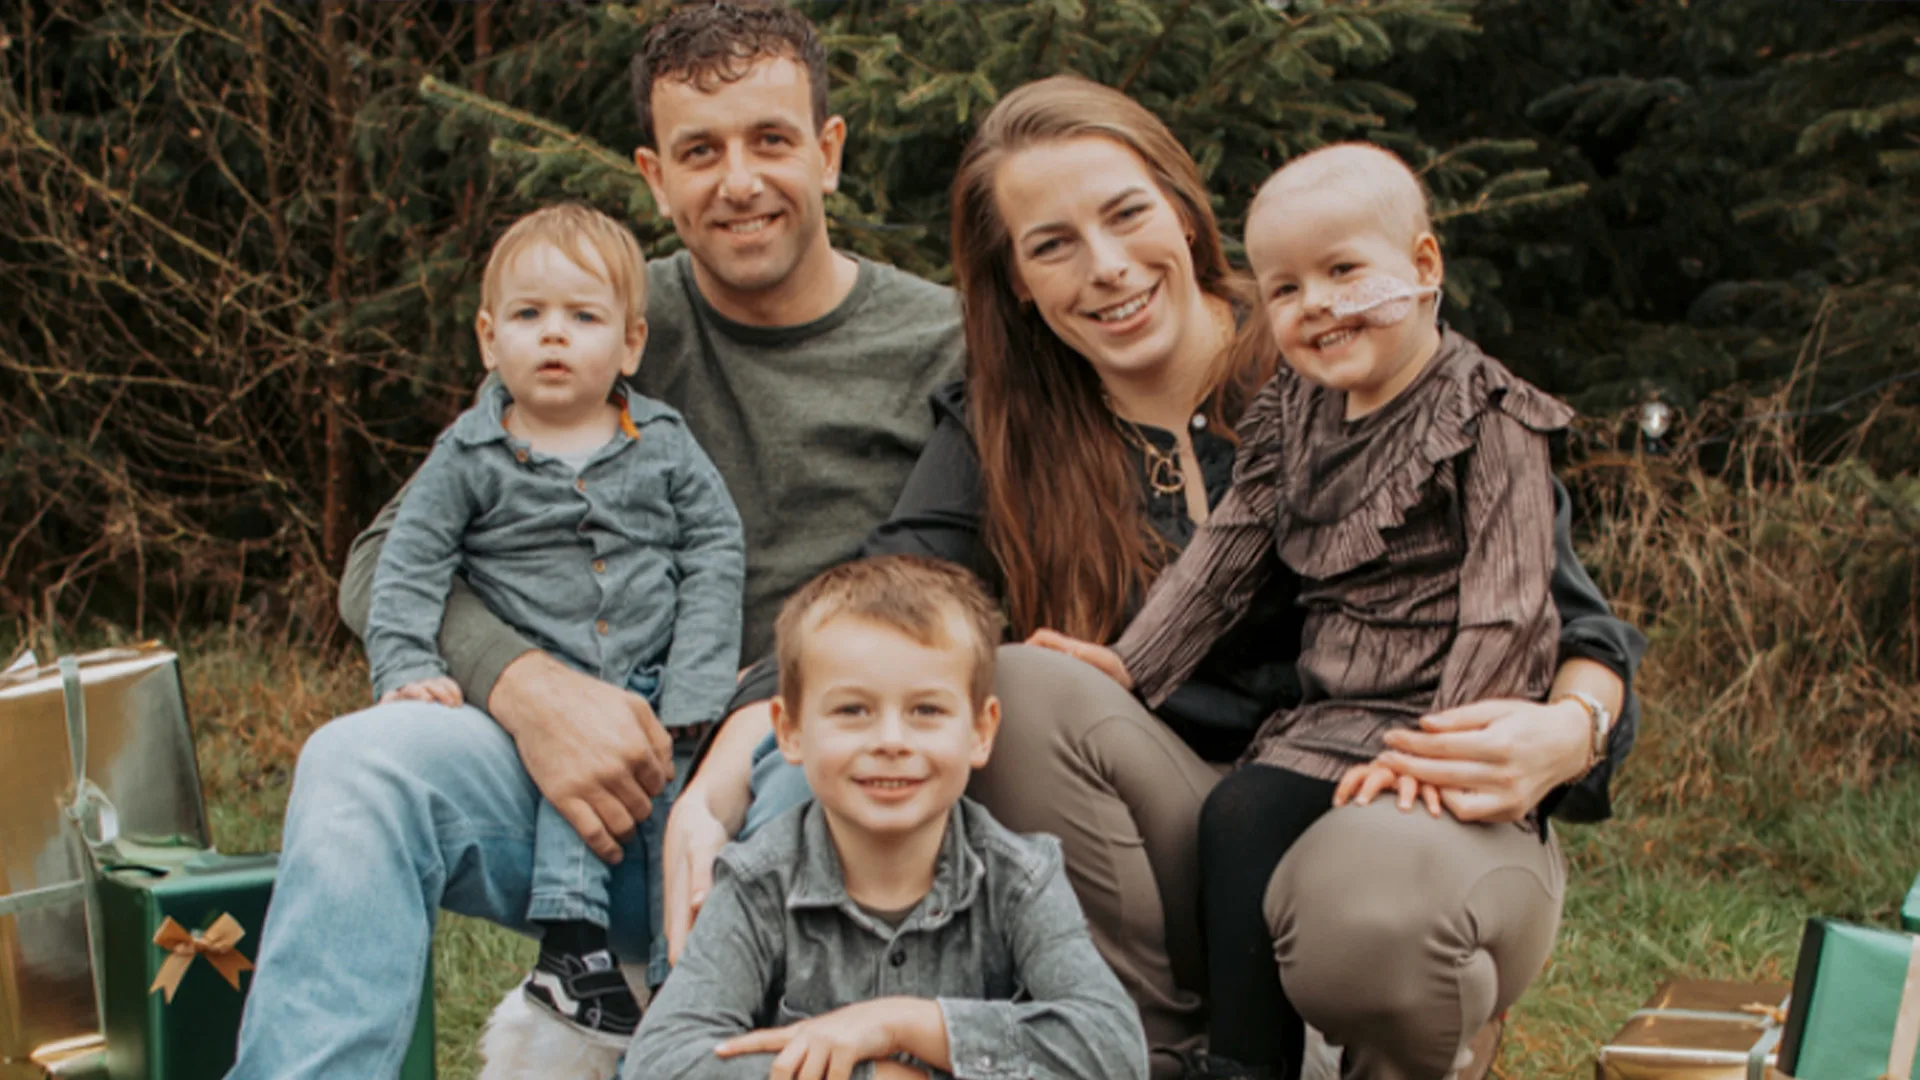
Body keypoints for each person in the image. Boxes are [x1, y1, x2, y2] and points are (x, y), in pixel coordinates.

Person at [664, 76, 1646, 1080]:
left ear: (1182, 209)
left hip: (1398, 801)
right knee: (1025, 684)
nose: (1107, 269)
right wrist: (724, 771)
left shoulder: (1337, 347)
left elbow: (1573, 621)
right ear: (1016, 284)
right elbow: (879, 599)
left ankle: (1401, 1034)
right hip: (1181, 846)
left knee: (1372, 928)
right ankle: (1153, 1056)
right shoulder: (1009, 429)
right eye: (1052, 246)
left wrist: (1568, 733)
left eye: (1127, 215)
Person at [229, 4, 962, 1076]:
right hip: (588, 789)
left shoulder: (934, 342)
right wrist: (528, 692)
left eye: (770, 140)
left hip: (796, 783)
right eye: (699, 152)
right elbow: (389, 556)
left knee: (827, 780)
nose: (739, 180)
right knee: (361, 761)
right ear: (655, 176)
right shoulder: (595, 319)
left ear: (829, 151)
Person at [1039, 142, 1583, 1078]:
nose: (1316, 306)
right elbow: (1226, 556)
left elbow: (1509, 603)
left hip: (1441, 723)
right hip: (1330, 719)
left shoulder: (1489, 415)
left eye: (1343, 271)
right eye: (1284, 289)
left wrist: (1443, 755)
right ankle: (1241, 1065)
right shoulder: (1295, 412)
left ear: (1422, 269)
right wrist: (1131, 664)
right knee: (1241, 815)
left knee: (1357, 884)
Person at [361, 202, 745, 1044]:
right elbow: (407, 565)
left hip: (657, 679)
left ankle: (681, 973)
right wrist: (403, 665)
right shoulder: (468, 458)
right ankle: (572, 953)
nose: (555, 337)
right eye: (530, 317)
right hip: (547, 688)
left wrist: (698, 680)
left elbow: (717, 549)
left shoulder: (666, 445)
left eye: (582, 317)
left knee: (676, 812)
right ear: (489, 338)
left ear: (631, 344)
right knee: (576, 800)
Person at [630, 555, 1146, 1080]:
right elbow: (663, 1062)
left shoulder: (1022, 878)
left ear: (980, 731)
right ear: (789, 731)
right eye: (853, 710)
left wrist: (899, 1024)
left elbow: (1114, 1051)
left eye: (926, 711)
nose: (891, 742)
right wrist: (874, 1077)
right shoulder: (755, 885)